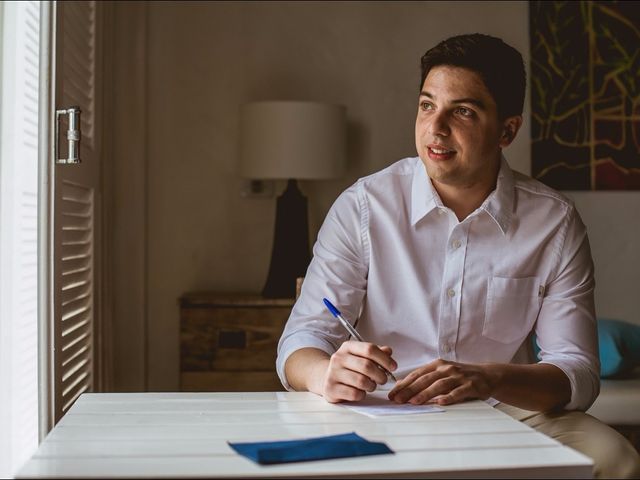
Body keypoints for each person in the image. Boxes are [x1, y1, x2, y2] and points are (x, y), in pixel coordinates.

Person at [276, 33, 640, 478]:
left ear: (507, 130)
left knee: (614, 458)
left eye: (463, 111)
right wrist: (324, 372)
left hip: (504, 408)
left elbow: (578, 373)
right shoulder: (363, 207)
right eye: (427, 105)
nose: (436, 128)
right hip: (379, 407)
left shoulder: (554, 222)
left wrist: (490, 378)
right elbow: (301, 341)